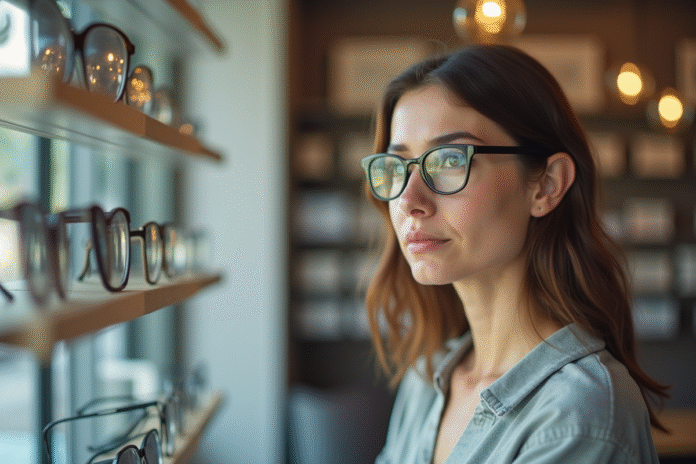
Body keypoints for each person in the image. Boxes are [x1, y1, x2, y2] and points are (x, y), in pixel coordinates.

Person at [360, 44, 669, 464]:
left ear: (546, 185)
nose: (410, 200)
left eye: (450, 159)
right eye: (398, 166)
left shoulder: (579, 413)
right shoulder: (429, 380)